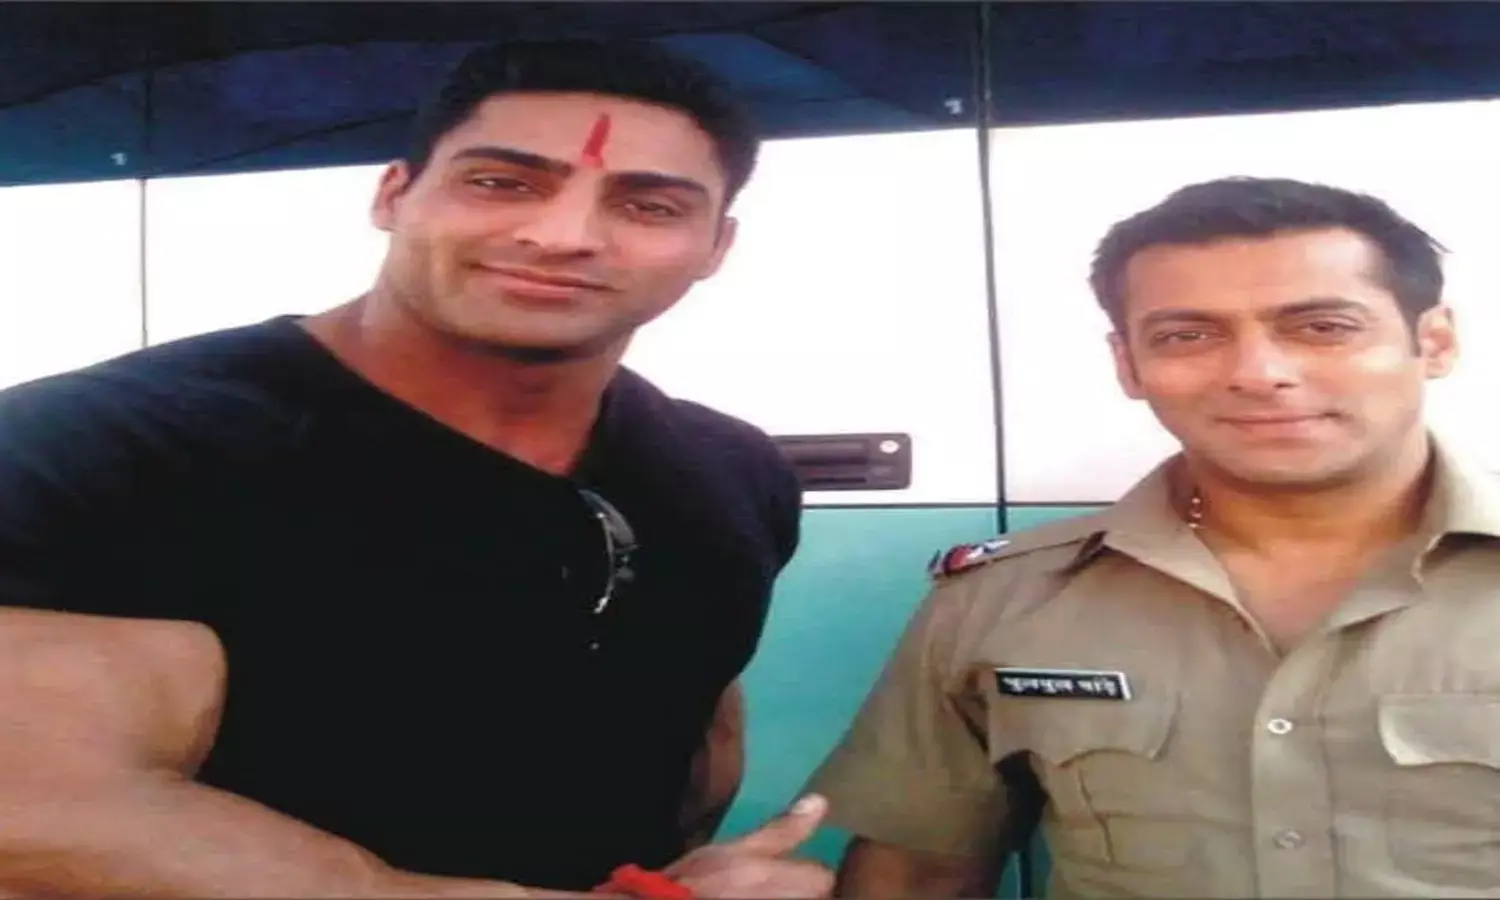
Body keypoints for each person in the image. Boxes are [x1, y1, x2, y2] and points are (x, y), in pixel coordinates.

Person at [0, 38, 834, 899]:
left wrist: (678, 887)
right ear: (394, 195)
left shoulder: (730, 473)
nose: (561, 237)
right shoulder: (100, 448)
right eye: (501, 183)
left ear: (716, 245)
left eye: (649, 206)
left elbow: (690, 738)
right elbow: (33, 814)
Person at [803, 176, 1500, 898]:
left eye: (1322, 327)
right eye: (1187, 336)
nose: (1259, 373)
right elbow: (919, 875)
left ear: (1434, 342)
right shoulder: (1002, 600)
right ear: (1129, 365)